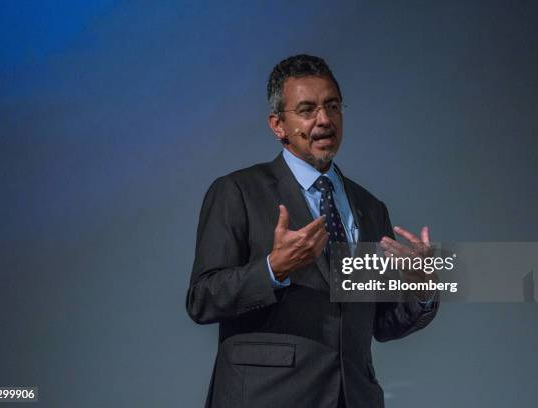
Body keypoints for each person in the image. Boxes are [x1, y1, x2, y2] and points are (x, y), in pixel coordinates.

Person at [186, 54, 438, 408]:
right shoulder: (238, 192)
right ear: (278, 125)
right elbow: (202, 299)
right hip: (266, 396)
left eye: (332, 106)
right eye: (307, 110)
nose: (324, 119)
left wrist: (420, 288)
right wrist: (273, 269)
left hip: (352, 397)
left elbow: (382, 322)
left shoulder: (369, 207)